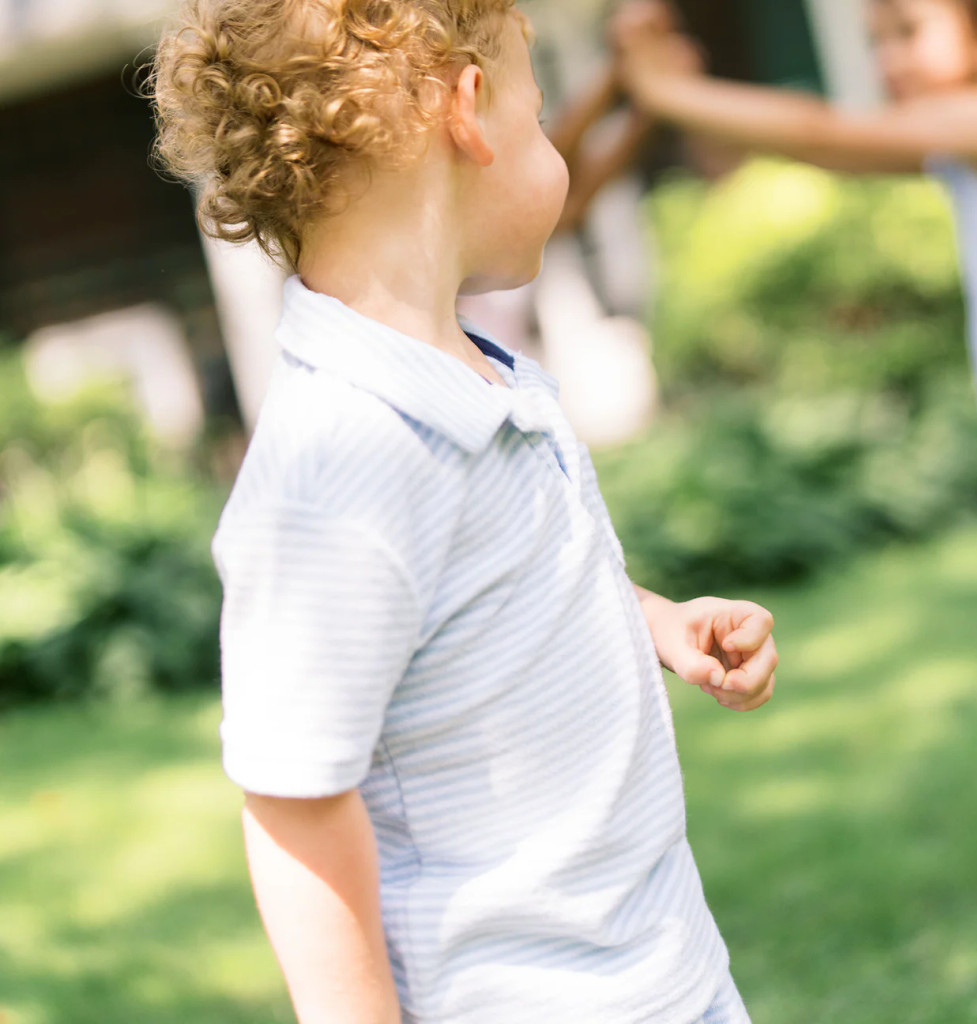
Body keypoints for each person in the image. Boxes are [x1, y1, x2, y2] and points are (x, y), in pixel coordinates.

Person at [151, 1, 778, 1022]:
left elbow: (502, 586)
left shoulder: (474, 375)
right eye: (540, 114)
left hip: (659, 967)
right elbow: (293, 802)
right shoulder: (337, 462)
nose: (549, 140)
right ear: (473, 110)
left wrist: (653, 620)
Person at [614, 0, 977, 633]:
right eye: (876, 40)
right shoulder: (967, 141)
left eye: (910, 33)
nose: (887, 59)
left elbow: (822, 131)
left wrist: (669, 89)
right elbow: (819, 146)